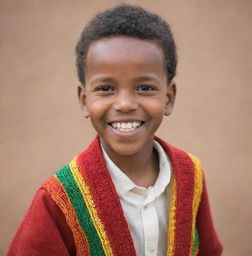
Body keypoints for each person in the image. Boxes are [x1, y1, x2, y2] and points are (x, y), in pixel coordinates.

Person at [7, 4, 223, 256]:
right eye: (105, 88)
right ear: (84, 100)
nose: (124, 104)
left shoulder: (190, 174)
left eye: (144, 88)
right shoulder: (58, 199)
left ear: (169, 98)